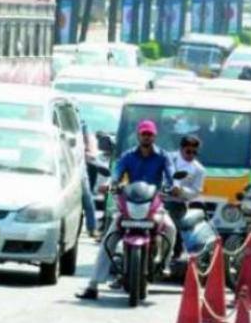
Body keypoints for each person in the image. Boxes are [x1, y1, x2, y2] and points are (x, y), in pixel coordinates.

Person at [76, 120, 180, 300]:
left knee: (170, 228)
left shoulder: (163, 156)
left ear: (154, 136)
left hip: (153, 204)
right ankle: (92, 285)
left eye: (150, 134)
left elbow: (171, 175)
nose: (146, 137)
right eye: (143, 134)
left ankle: (165, 263)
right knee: (108, 239)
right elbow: (116, 175)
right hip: (130, 204)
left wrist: (175, 187)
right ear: (139, 136)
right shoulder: (127, 156)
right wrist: (109, 185)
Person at [165, 135, 206, 259]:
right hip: (157, 198)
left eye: (195, 152)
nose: (191, 155)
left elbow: (196, 191)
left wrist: (182, 191)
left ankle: (175, 253)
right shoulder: (167, 158)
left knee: (172, 223)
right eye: (188, 151)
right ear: (181, 149)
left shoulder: (199, 169)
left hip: (177, 203)